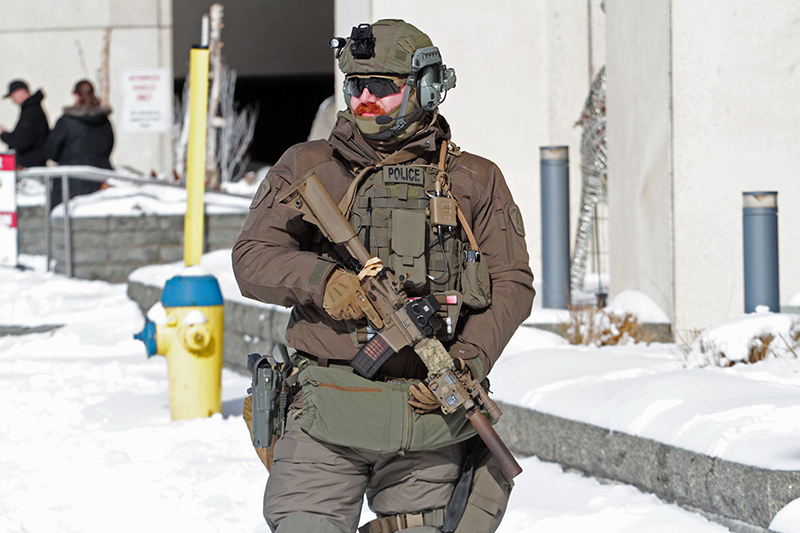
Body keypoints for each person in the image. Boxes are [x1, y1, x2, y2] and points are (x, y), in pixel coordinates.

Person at [233, 19, 534, 533]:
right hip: (327, 410)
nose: (366, 99)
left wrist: (468, 358)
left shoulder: (473, 178)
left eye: (384, 88)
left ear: (426, 88)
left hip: (430, 415)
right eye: (356, 87)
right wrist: (323, 281)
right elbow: (254, 257)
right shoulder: (309, 166)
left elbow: (512, 284)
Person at [45, 80, 114, 208]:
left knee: (67, 225)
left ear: (76, 96)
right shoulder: (105, 121)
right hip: (100, 180)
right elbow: (109, 147)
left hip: (70, 183)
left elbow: (51, 152)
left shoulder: (66, 121)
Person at [0, 80, 49, 168]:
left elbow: (20, 142)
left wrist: (3, 134)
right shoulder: (31, 110)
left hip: (30, 167)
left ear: (20, 91)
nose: (13, 100)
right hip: (32, 165)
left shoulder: (31, 112)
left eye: (12, 95)